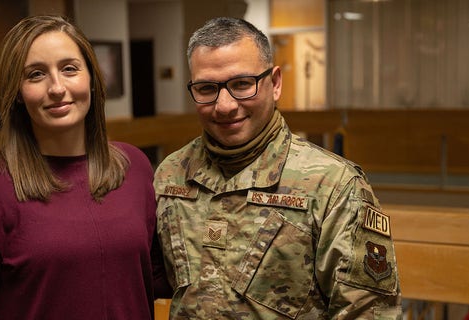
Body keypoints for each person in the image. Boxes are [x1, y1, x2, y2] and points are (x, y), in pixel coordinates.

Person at [154, 17, 402, 319]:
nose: (224, 105)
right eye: (207, 88)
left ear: (275, 83)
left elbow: (367, 312)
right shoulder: (170, 174)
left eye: (242, 84)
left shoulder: (333, 184)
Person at [0, 15, 168, 319]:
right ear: (17, 93)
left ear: (91, 78)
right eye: (36, 74)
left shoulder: (134, 167)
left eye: (69, 68)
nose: (57, 87)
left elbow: (156, 281)